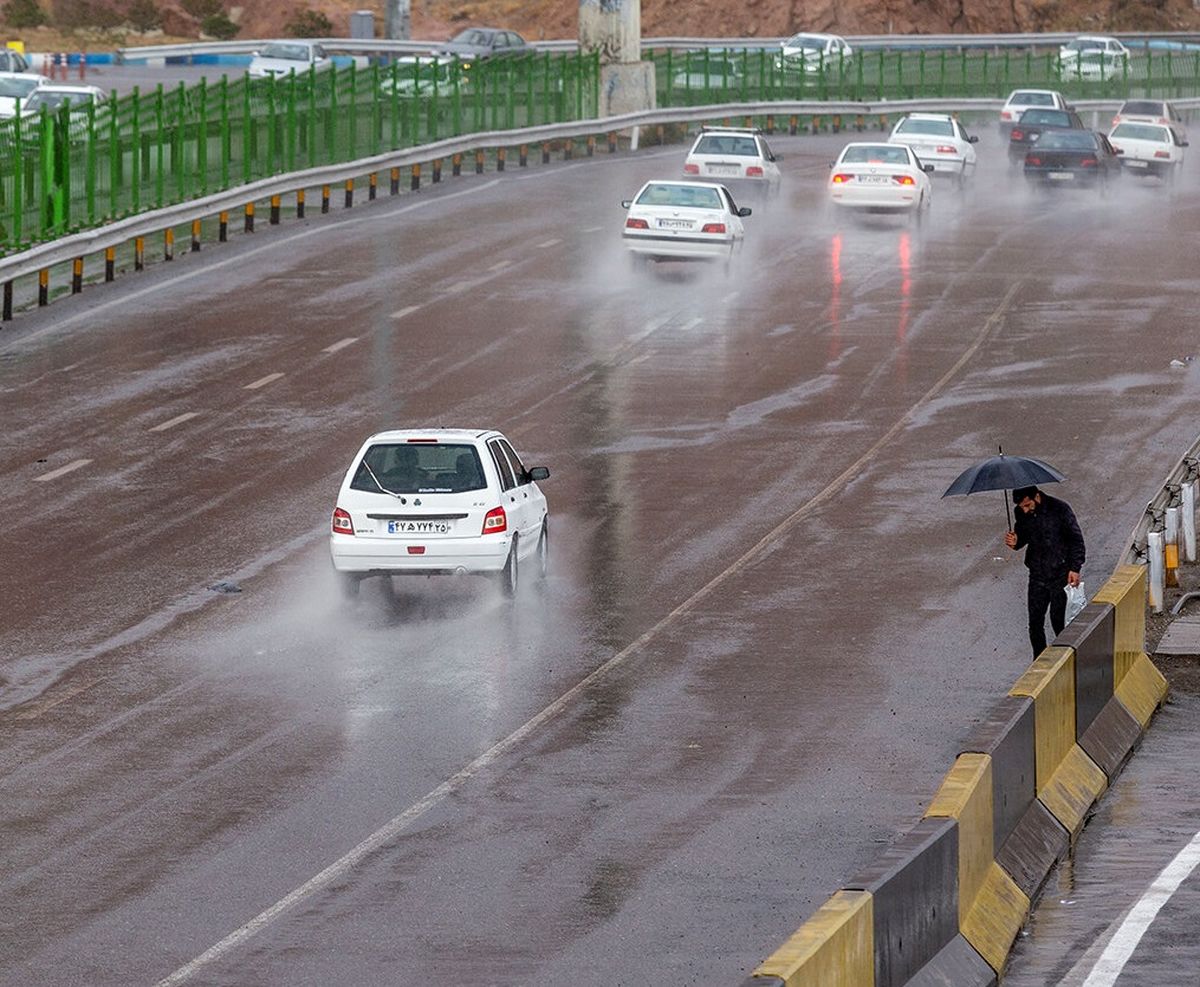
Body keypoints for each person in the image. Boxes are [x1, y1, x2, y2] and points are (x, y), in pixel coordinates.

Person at [1004, 486, 1086, 657]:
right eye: (1021, 507)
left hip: (1060, 574)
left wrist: (1074, 568)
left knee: (1058, 621)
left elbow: (1076, 540)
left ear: (1037, 496)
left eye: (1027, 505)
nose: (1024, 510)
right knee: (1035, 623)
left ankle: (1066, 659)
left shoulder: (1060, 509)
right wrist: (1015, 542)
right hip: (1037, 574)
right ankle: (1039, 659)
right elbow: (1023, 536)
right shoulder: (1021, 512)